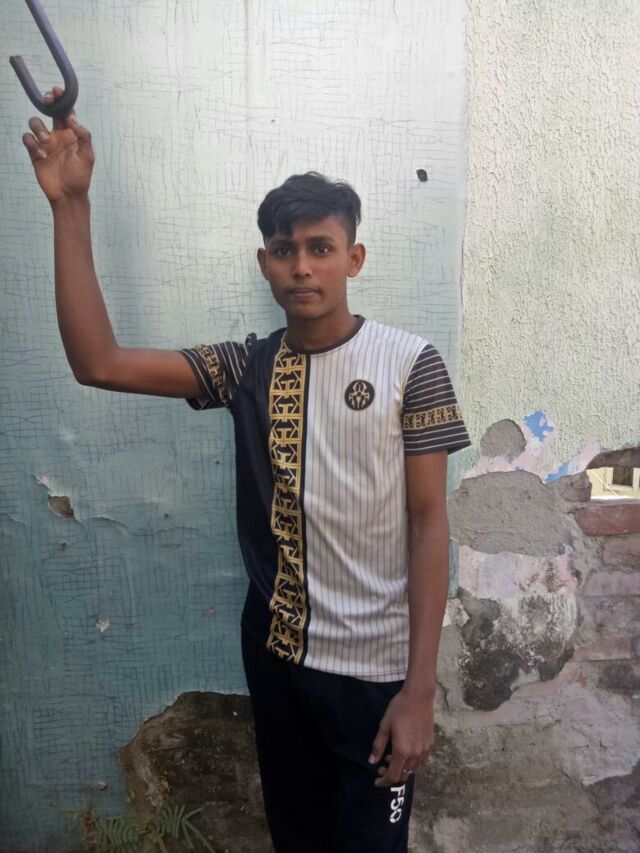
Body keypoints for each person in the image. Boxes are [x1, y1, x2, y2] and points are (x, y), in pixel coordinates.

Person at [22, 87, 472, 853]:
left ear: (354, 258)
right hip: (278, 663)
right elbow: (99, 361)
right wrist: (71, 206)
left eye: (321, 247)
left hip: (377, 677)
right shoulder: (246, 367)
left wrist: (419, 690)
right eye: (285, 250)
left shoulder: (409, 364)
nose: (303, 266)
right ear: (265, 263)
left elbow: (430, 523)